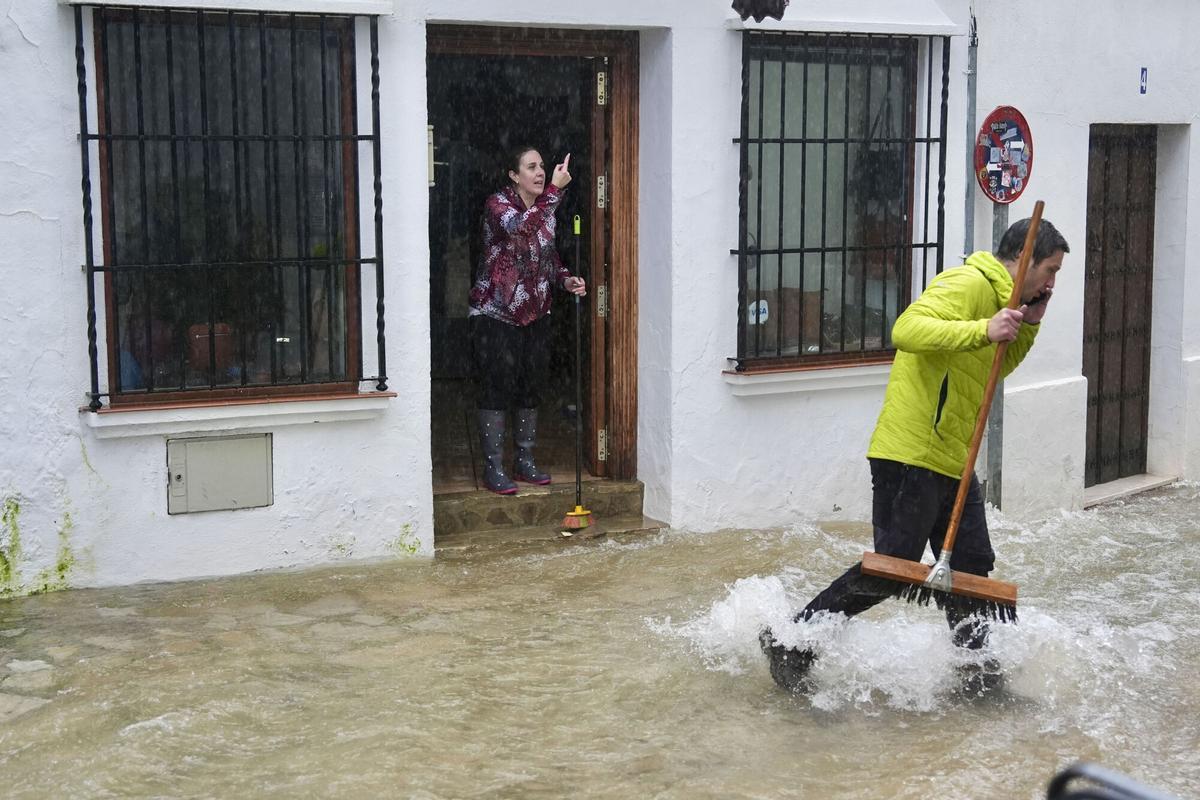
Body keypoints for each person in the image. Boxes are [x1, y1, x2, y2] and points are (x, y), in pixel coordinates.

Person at [761, 217, 1071, 692]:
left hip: (953, 459)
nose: (1052, 283)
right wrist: (982, 328)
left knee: (972, 569)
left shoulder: (1003, 303)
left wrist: (1027, 323)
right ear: (1024, 259)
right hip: (913, 452)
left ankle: (979, 677)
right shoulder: (968, 283)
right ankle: (794, 641)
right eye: (1050, 270)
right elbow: (906, 329)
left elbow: (997, 366)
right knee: (894, 566)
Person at [468, 147, 587, 495]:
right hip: (495, 314)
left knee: (530, 387)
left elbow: (548, 258)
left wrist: (566, 280)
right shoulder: (498, 205)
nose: (540, 172)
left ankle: (525, 460)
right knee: (496, 388)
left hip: (536, 314)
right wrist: (554, 191)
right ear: (513, 174)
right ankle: (493, 467)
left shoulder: (546, 211)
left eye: (542, 167)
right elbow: (520, 230)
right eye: (531, 167)